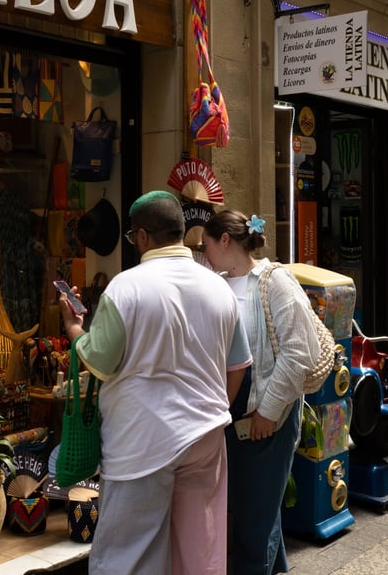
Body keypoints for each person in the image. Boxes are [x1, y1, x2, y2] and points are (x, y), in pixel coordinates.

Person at [59, 190, 251, 575]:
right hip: (207, 435)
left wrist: (75, 330)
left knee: (129, 556)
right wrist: (214, 410)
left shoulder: (125, 288)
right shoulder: (219, 287)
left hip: (143, 441)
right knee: (199, 552)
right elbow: (238, 365)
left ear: (143, 236)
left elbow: (99, 362)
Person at [202, 209, 320, 575]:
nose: (204, 254)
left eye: (206, 245)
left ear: (225, 240)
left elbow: (299, 352)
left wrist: (267, 412)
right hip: (233, 416)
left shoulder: (275, 280)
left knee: (254, 523)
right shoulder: (216, 283)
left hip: (268, 416)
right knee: (255, 510)